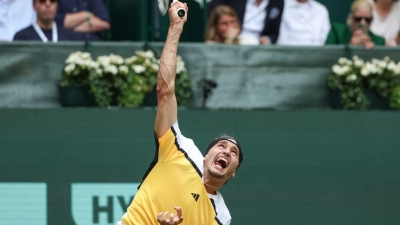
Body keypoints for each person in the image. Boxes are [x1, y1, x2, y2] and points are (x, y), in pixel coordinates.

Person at [117, 1, 243, 225]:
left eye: (234, 153)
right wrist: (176, 26)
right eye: (222, 146)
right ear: (206, 156)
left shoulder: (221, 217)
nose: (227, 151)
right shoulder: (179, 149)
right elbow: (165, 91)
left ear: (233, 172)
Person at [208, 0, 284, 45]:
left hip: (256, 47)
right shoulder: (211, 44)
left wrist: (267, 39)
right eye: (224, 23)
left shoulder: (278, 2)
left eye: (232, 22)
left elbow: (275, 32)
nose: (230, 25)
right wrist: (229, 38)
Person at [13, 0, 81, 42]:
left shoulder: (71, 38)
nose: (48, 4)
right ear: (34, 5)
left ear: (56, 5)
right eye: (42, 1)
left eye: (52, 1)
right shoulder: (21, 38)